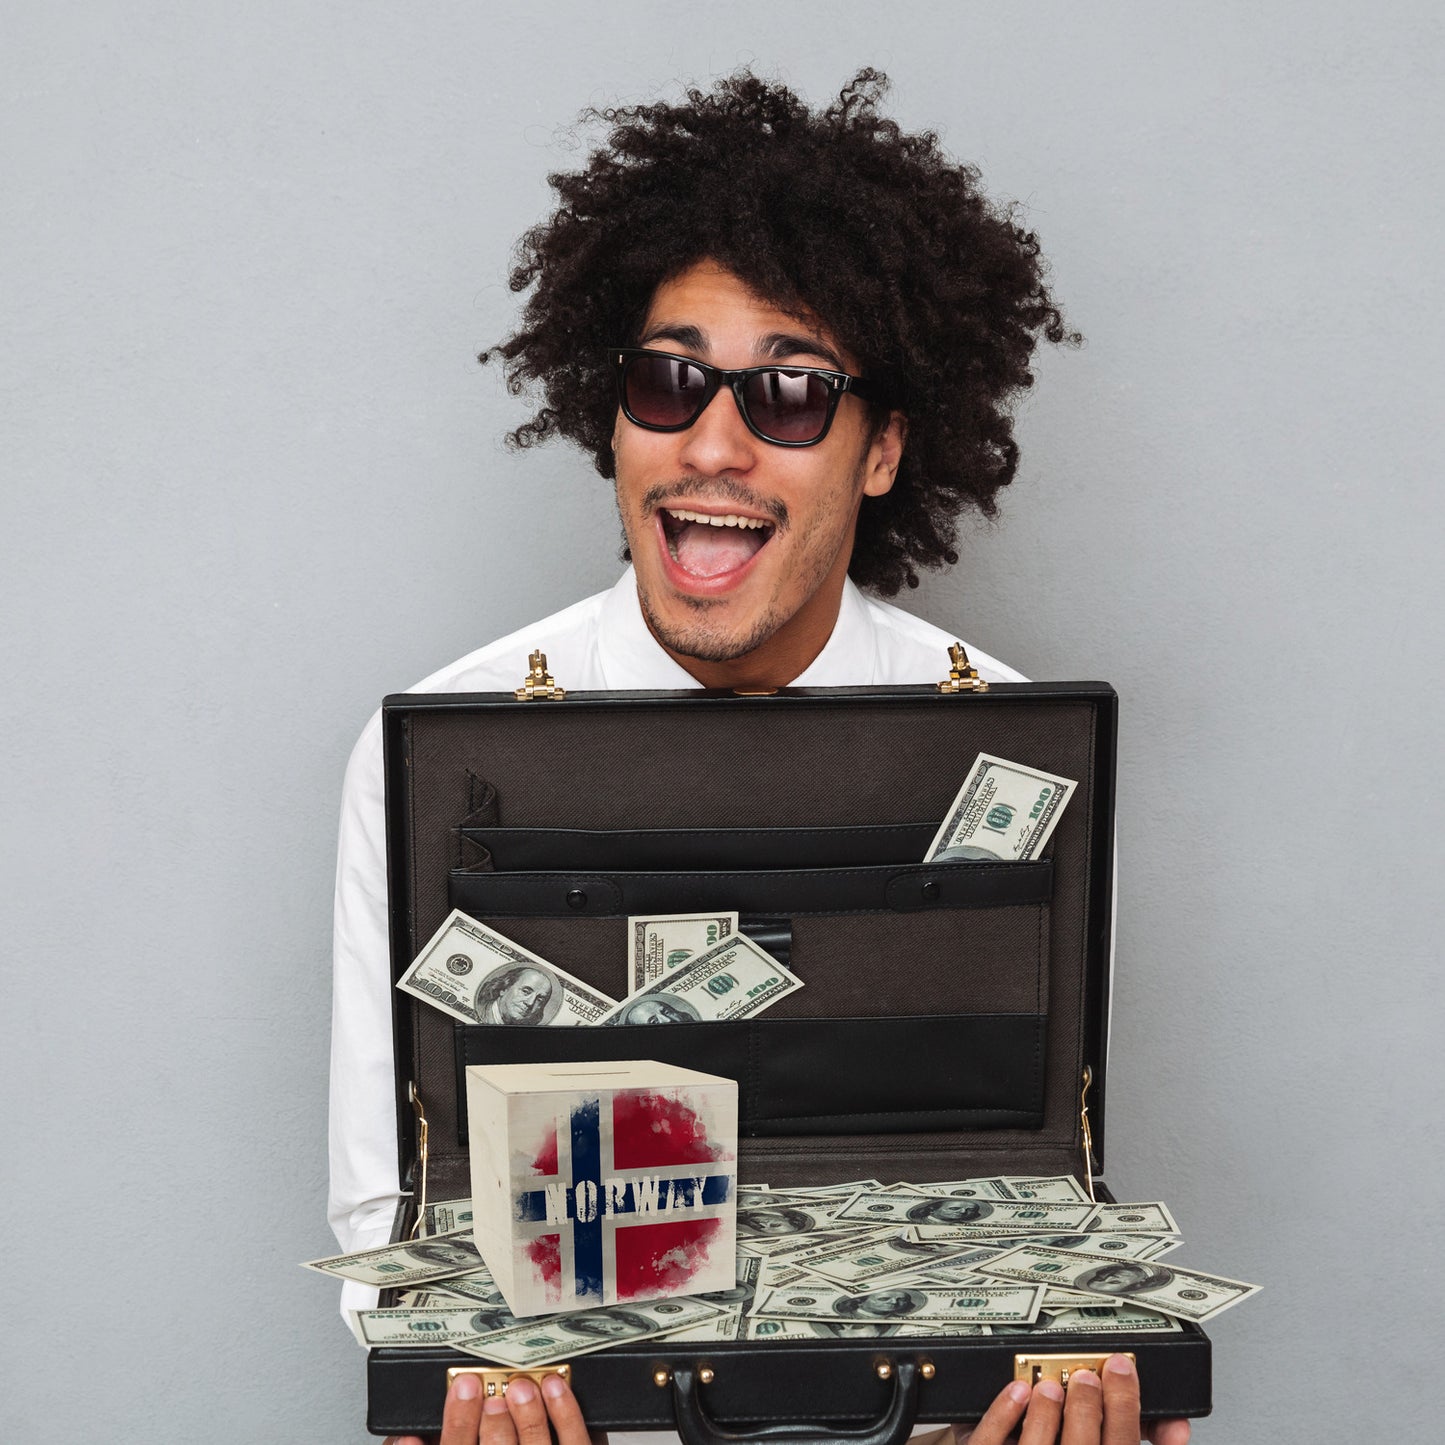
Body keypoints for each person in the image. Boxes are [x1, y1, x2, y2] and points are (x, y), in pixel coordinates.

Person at [328, 66, 1189, 1445]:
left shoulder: (1009, 736)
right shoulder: (445, 734)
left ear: (882, 447)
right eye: (669, 381)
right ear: (609, 415)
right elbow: (392, 1210)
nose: (713, 443)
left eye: (788, 392)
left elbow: (1035, 1154)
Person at [476, 964, 556, 1025]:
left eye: (539, 999)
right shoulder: (479, 1012)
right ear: (504, 989)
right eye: (525, 991)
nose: (530, 1003)